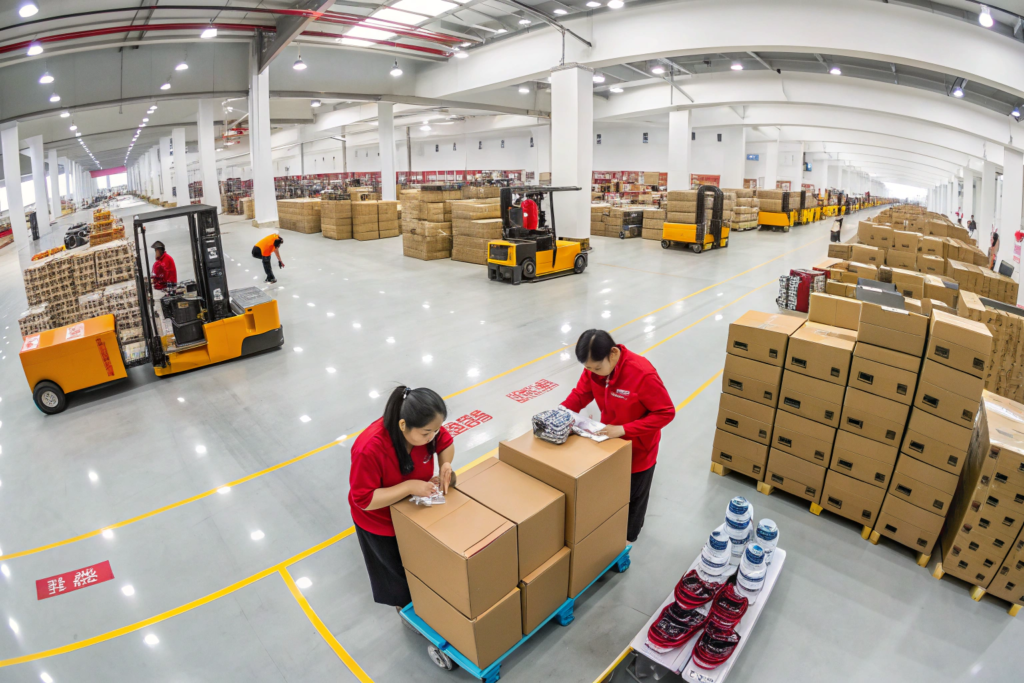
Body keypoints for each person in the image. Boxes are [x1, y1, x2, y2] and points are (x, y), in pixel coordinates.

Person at [561, 330, 676, 542]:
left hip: (639, 449)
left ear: (613, 353)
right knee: (612, 494)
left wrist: (624, 429)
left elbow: (665, 412)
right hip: (609, 442)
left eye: (597, 368)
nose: (592, 373)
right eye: (588, 368)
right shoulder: (594, 370)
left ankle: (628, 541)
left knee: (633, 500)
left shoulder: (642, 374)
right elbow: (581, 394)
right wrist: (561, 413)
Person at [349, 386, 455, 610]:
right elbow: (364, 499)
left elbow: (445, 442)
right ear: (403, 425)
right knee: (395, 571)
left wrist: (445, 463)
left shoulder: (427, 429)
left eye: (435, 430)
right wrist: (409, 486)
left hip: (412, 509)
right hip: (379, 520)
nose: (432, 437)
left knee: (418, 561)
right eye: (426, 433)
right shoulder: (369, 448)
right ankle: (405, 608)